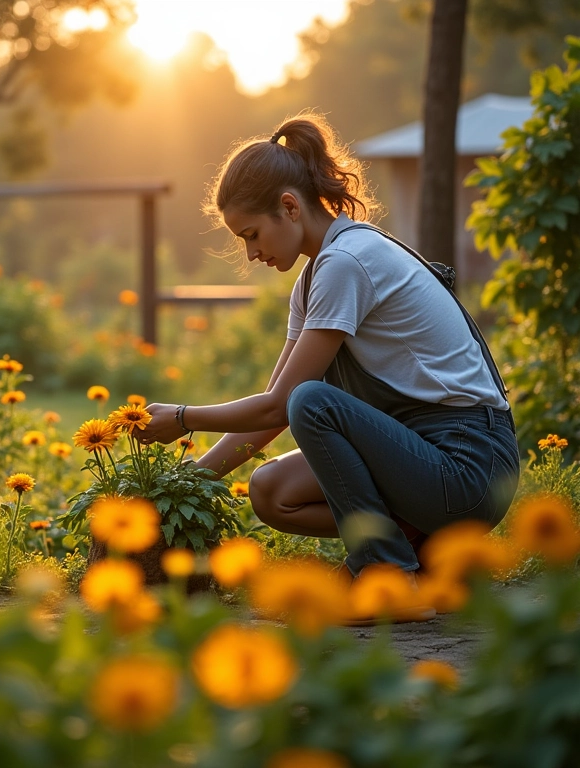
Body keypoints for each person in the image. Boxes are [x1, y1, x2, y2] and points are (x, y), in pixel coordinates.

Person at [135, 111, 520, 584]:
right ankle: (422, 550)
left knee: (312, 402)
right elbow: (271, 412)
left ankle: (384, 571)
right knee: (272, 490)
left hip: (471, 467)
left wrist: (183, 418)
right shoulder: (315, 277)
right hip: (424, 457)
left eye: (251, 235)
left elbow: (285, 404)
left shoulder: (347, 262)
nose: (251, 254)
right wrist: (181, 485)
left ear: (290, 207)